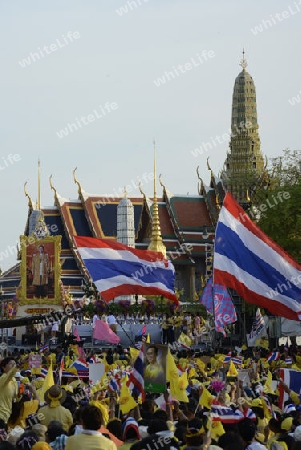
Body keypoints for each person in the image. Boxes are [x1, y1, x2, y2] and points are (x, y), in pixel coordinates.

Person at [0, 357, 18, 423]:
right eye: (11, 364)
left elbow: (15, 398)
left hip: (8, 414)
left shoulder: (14, 380)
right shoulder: (2, 379)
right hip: (1, 414)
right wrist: (19, 364)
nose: (14, 365)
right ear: (3, 367)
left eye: (15, 364)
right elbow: (9, 375)